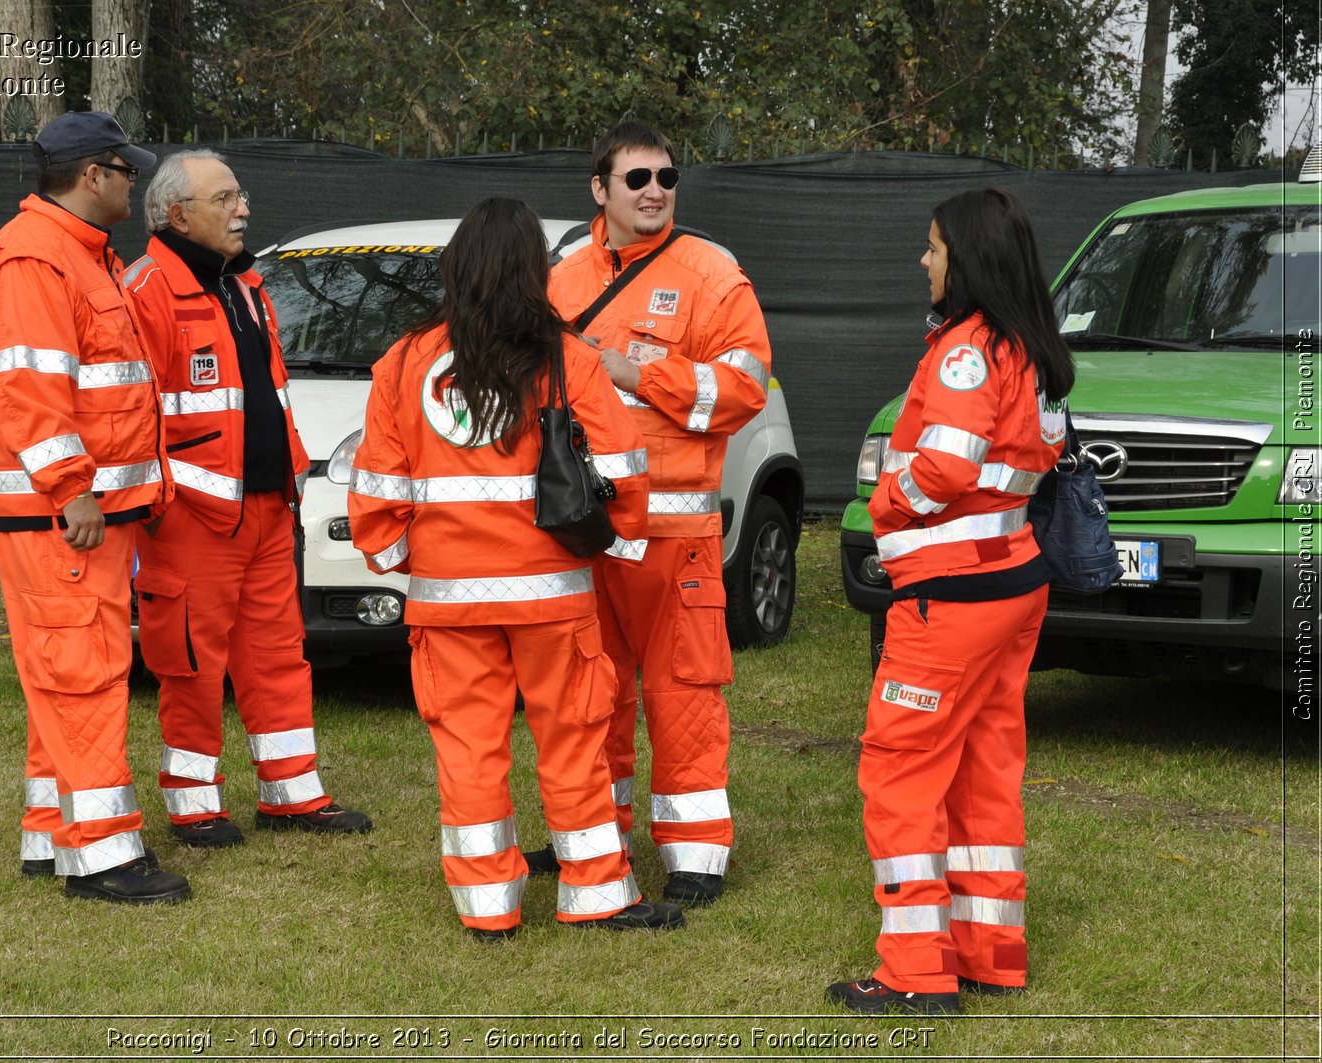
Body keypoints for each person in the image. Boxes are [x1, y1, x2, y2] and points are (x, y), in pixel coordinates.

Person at [347, 196, 682, 939]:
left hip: (447, 603)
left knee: (468, 751)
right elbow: (625, 477)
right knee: (573, 739)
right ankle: (596, 895)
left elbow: (375, 500)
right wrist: (606, 549)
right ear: (536, 272)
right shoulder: (570, 359)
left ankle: (488, 907)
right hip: (554, 596)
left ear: (456, 269)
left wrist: (422, 564)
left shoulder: (403, 364)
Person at [825, 188, 1075, 1015]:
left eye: (932, 248)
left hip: (953, 598)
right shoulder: (1031, 347)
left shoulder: (967, 351)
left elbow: (946, 468)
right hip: (1012, 584)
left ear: (964, 258)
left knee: (900, 771)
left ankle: (912, 972)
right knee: (985, 772)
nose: (923, 261)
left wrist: (886, 499)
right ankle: (989, 952)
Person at [541, 120, 771, 908]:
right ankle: (591, 835)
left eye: (666, 179)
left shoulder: (713, 274)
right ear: (599, 189)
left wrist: (634, 370)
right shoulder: (562, 279)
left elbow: (742, 390)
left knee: (684, 691)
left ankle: (695, 853)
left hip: (675, 534)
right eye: (636, 178)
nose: (653, 192)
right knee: (586, 689)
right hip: (583, 533)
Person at [124, 150, 372, 847]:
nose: (243, 209)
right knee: (192, 662)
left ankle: (291, 793)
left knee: (278, 653)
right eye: (226, 197)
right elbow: (133, 411)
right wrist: (164, 498)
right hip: (190, 517)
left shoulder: (247, 283)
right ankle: (194, 804)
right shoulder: (146, 291)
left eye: (241, 194)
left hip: (265, 508)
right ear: (179, 214)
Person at [0, 111, 190, 904]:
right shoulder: (37, 258)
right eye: (127, 169)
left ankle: (50, 834)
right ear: (91, 175)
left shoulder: (78, 255)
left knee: (62, 673)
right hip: (65, 513)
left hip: (82, 509)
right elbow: (31, 390)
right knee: (86, 674)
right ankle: (103, 858)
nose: (137, 181)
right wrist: (74, 489)